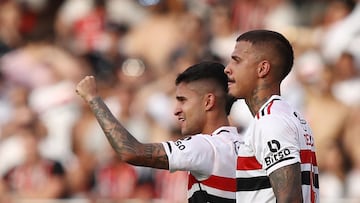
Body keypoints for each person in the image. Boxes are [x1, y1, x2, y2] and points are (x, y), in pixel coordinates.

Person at [76, 61, 240, 202]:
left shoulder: (204, 146)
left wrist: (93, 99)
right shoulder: (241, 145)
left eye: (183, 100)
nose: (176, 110)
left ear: (208, 101)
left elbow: (130, 152)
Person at [224, 29, 319, 202]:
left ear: (262, 69)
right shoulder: (288, 115)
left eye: (236, 61)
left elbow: (290, 199)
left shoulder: (270, 121)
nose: (227, 69)